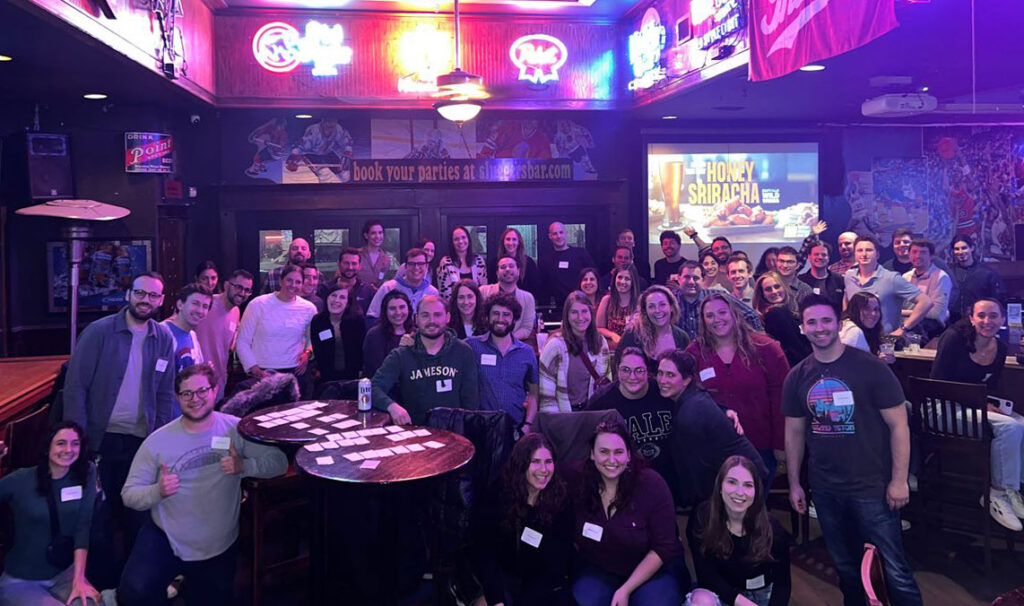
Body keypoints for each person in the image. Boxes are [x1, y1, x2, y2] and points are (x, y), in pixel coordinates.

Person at [784, 295, 923, 606]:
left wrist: (899, 480)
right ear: (802, 328)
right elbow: (793, 433)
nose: (819, 328)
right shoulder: (797, 376)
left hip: (872, 486)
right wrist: (795, 483)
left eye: (826, 321)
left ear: (838, 324)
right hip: (825, 488)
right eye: (812, 322)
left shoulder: (870, 368)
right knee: (845, 568)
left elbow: (899, 426)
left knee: (894, 569)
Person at [117, 364, 288, 606]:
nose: (195, 399)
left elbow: (279, 462)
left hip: (217, 546)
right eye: (186, 394)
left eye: (201, 391)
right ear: (177, 397)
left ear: (215, 390)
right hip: (167, 539)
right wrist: (158, 491)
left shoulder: (235, 429)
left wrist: (244, 467)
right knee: (134, 592)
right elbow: (129, 495)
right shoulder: (158, 441)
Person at [63, 271, 177, 588]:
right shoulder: (99, 332)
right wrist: (79, 441)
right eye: (140, 293)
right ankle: (100, 585)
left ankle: (131, 585)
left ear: (161, 300)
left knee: (138, 518)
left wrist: (163, 440)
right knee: (98, 519)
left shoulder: (163, 337)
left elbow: (166, 393)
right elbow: (76, 388)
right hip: (101, 441)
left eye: (153, 296)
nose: (146, 300)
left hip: (142, 444)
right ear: (128, 294)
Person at [567, 421, 688, 606]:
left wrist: (626, 589)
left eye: (618, 452)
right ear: (592, 454)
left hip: (654, 571)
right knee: (586, 599)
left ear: (629, 455)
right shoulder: (578, 480)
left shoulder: (651, 485)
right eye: (604, 451)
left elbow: (664, 547)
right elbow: (542, 469)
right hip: (601, 569)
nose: (612, 460)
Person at [930, 299, 1024, 530]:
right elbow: (937, 385)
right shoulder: (953, 339)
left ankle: (1013, 488)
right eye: (981, 315)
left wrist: (991, 404)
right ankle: (996, 494)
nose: (987, 321)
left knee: (1021, 422)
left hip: (971, 409)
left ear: (1003, 319)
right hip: (940, 409)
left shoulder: (1000, 348)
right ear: (971, 318)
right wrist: (980, 404)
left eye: (993, 316)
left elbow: (990, 388)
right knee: (1009, 427)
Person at [685, 294, 789, 487]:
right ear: (703, 321)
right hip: (714, 448)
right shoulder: (694, 352)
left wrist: (780, 444)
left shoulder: (766, 348)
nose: (717, 319)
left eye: (722, 312)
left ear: (734, 314)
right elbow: (689, 400)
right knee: (718, 511)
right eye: (710, 315)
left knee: (754, 507)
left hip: (759, 445)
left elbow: (782, 398)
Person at [0, 422, 101, 606]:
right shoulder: (21, 479)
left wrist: (79, 580)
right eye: (61, 443)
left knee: (92, 603)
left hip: (64, 574)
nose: (68, 450)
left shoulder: (86, 473)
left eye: (75, 443)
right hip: (22, 580)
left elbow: (83, 526)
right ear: (48, 447)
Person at [656, 350, 766, 508]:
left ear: (686, 380)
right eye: (660, 373)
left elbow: (696, 469)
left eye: (670, 375)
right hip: (737, 474)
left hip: (746, 480)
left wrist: (696, 504)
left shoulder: (690, 412)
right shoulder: (693, 395)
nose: (662, 380)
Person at [474, 433, 573, 606]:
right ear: (521, 464)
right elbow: (486, 552)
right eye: (535, 462)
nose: (544, 470)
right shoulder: (498, 494)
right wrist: (496, 599)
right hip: (501, 577)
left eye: (548, 462)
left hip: (542, 584)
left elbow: (558, 560)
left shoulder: (561, 498)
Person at [685, 456, 791, 606]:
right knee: (700, 601)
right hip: (721, 592)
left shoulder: (774, 531)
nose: (740, 492)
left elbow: (783, 585)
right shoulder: (702, 518)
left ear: (756, 491)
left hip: (762, 595)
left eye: (748, 485)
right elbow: (706, 576)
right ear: (720, 486)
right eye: (732, 482)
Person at [370, 295, 479, 425]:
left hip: (453, 434)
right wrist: (392, 406)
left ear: (448, 317)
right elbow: (371, 388)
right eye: (425, 315)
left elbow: (471, 402)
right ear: (416, 319)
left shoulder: (463, 351)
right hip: (414, 434)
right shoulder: (402, 354)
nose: (431, 321)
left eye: (437, 315)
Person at [587, 347, 679, 495]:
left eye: (639, 370)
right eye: (626, 370)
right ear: (617, 369)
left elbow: (693, 401)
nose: (633, 376)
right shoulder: (602, 402)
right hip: (623, 484)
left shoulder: (663, 392)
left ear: (647, 371)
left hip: (667, 481)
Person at [236, 263, 318, 398]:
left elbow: (312, 340)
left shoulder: (309, 308)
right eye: (289, 280)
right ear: (281, 281)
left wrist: (307, 354)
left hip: (296, 373)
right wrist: (254, 368)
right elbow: (242, 341)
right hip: (263, 372)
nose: (293, 285)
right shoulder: (258, 304)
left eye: (298, 282)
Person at [467, 294, 540, 434]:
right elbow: (445, 343)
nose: (500, 319)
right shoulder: (472, 346)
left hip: (516, 429)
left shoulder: (527, 352)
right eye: (495, 313)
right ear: (487, 317)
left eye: (506, 314)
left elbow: (533, 394)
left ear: (514, 319)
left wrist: (528, 424)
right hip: (482, 428)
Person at [843, 235, 931, 336]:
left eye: (869, 250)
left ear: (877, 254)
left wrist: (903, 328)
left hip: (884, 341)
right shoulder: (849, 276)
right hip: (855, 338)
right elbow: (847, 298)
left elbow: (926, 302)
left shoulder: (892, 278)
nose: (864, 254)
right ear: (855, 254)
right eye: (860, 250)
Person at [539, 291, 611, 412]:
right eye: (574, 312)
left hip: (592, 413)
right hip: (564, 415)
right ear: (566, 316)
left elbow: (606, 381)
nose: (580, 317)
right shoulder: (555, 346)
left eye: (584, 311)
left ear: (591, 313)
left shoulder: (600, 342)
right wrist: (558, 425)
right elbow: (547, 398)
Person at [195, 269, 253, 401]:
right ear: (227, 285)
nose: (242, 293)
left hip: (218, 382)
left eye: (247, 290)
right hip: (196, 381)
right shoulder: (206, 304)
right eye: (238, 287)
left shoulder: (236, 311)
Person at [672, 261, 763, 340]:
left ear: (703, 280)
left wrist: (755, 341)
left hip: (712, 354)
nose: (691, 282)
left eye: (696, 278)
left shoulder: (718, 296)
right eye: (687, 277)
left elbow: (751, 315)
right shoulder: (670, 299)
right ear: (679, 279)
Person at [617, 285, 690, 371]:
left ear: (671, 307)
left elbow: (686, 372)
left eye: (662, 304)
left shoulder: (682, 337)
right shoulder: (632, 335)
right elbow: (618, 368)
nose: (657, 310)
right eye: (651, 306)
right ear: (645, 311)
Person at [365, 248, 440, 326]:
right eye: (412, 264)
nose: (416, 267)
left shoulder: (432, 292)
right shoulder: (388, 288)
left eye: (421, 263)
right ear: (405, 266)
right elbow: (372, 317)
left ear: (426, 266)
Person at [752, 272, 812, 367]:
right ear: (763, 294)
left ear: (784, 287)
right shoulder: (777, 313)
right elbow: (796, 348)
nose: (774, 291)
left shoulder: (783, 310)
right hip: (798, 368)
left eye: (777, 286)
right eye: (768, 289)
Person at [310, 284, 366, 384]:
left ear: (348, 303)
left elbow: (362, 350)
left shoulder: (357, 321)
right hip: (325, 378)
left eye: (342, 297)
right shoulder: (317, 321)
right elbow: (317, 350)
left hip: (353, 377)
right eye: (333, 295)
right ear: (327, 298)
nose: (336, 300)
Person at [948, 234, 1006, 324]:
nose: (960, 252)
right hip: (952, 322)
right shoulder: (949, 272)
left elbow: (998, 301)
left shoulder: (988, 273)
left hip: (979, 322)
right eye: (957, 249)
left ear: (972, 248)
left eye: (964, 248)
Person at [538, 222, 596, 310]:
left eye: (561, 232)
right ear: (550, 236)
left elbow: (594, 276)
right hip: (557, 307)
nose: (558, 236)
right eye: (555, 233)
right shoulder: (545, 260)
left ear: (566, 234)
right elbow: (543, 286)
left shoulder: (581, 254)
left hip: (581, 304)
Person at [903, 238, 951, 342]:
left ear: (932, 256)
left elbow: (935, 314)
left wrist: (903, 312)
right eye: (914, 252)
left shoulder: (941, 277)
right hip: (906, 325)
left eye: (923, 252)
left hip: (930, 330)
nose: (918, 256)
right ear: (909, 254)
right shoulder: (905, 277)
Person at [479, 255, 538, 341]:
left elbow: (526, 328)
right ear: (497, 273)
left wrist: (507, 340)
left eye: (511, 266)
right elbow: (479, 321)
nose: (507, 269)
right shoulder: (483, 292)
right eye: (503, 267)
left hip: (515, 345)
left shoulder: (528, 298)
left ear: (518, 271)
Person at [362, 290, 413, 379]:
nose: (398, 312)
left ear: (408, 309)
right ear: (385, 311)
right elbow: (377, 372)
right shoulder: (374, 335)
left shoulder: (416, 334)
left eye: (402, 307)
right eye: (392, 308)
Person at [162, 283, 213, 372]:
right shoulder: (162, 332)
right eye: (195, 303)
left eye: (205, 307)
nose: (200, 311)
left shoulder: (193, 336)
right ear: (180, 305)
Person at [437, 225, 488, 300]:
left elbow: (484, 289)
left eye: (463, 237)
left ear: (468, 239)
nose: (460, 241)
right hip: (454, 308)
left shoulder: (479, 261)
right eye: (456, 239)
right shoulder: (446, 263)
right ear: (452, 242)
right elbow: (444, 293)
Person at [840, 292, 890, 362]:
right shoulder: (853, 331)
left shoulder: (851, 326)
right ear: (855, 309)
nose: (873, 314)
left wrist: (879, 361)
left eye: (876, 309)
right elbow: (844, 366)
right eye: (867, 308)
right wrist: (878, 363)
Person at [490, 227, 540, 295]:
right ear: (503, 242)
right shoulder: (494, 263)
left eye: (514, 239)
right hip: (500, 302)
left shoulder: (529, 263)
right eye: (508, 239)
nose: (511, 243)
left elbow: (535, 288)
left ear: (519, 242)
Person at [596, 265, 640, 338]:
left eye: (627, 279)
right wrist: (612, 335)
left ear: (633, 282)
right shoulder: (606, 300)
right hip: (611, 346)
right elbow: (599, 328)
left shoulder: (640, 302)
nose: (622, 281)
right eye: (620, 277)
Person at [333, 247, 378, 317]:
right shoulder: (326, 289)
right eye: (346, 263)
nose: (350, 267)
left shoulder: (369, 291)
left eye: (354, 263)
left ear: (359, 266)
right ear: (339, 264)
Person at [798, 241, 845, 309]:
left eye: (824, 255)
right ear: (809, 257)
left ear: (828, 258)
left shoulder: (839, 280)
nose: (820, 257)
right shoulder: (801, 280)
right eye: (816, 254)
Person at [357, 219, 394, 288]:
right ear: (366, 235)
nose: (377, 236)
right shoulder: (356, 255)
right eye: (373, 233)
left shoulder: (386, 259)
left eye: (380, 233)